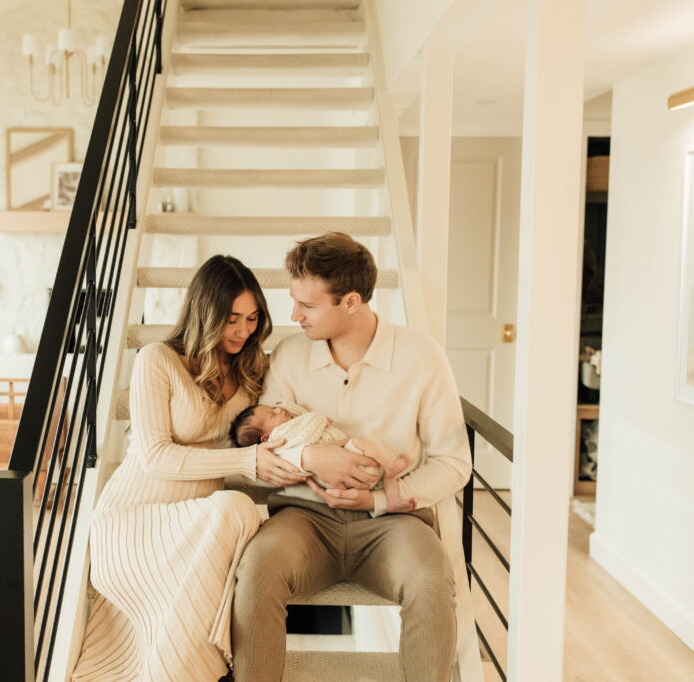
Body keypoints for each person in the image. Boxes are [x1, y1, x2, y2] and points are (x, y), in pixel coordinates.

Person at [231, 233, 474, 682]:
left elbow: (453, 462)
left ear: (351, 301)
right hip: (304, 519)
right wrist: (312, 456)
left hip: (393, 523)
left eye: (307, 305)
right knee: (257, 568)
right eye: (293, 301)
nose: (293, 315)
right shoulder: (288, 355)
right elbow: (263, 453)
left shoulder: (422, 357)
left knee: (431, 580)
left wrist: (379, 501)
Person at [72, 255, 308, 681]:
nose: (243, 331)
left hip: (194, 527)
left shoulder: (251, 369)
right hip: (132, 522)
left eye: (253, 318)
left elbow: (285, 414)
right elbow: (154, 456)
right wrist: (248, 461)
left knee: (237, 516)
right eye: (232, 318)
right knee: (237, 508)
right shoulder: (156, 359)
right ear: (205, 312)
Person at [228, 401, 417, 513]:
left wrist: (283, 408)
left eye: (274, 408)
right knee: (365, 445)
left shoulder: (282, 434)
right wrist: (319, 418)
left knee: (377, 462)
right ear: (265, 438)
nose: (279, 409)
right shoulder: (282, 436)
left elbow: (298, 416)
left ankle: (392, 500)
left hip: (333, 476)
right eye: (272, 414)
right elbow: (309, 422)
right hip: (343, 457)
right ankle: (390, 475)